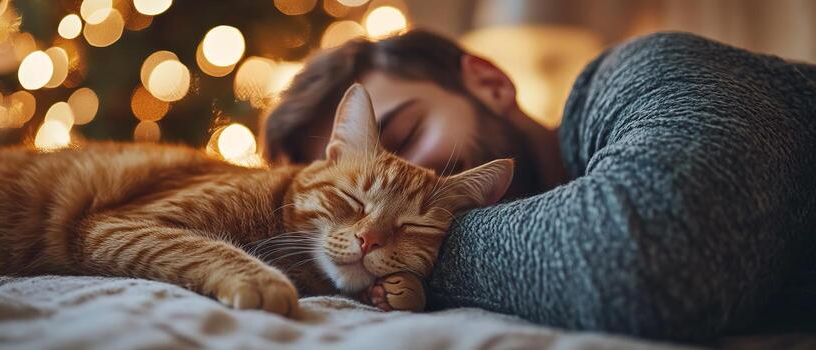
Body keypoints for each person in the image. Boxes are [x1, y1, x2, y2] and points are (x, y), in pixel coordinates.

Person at [262, 30, 816, 341]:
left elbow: (652, 256)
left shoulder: (644, 74)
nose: (366, 223)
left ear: (488, 82)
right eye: (341, 199)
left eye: (404, 135)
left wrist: (416, 251)